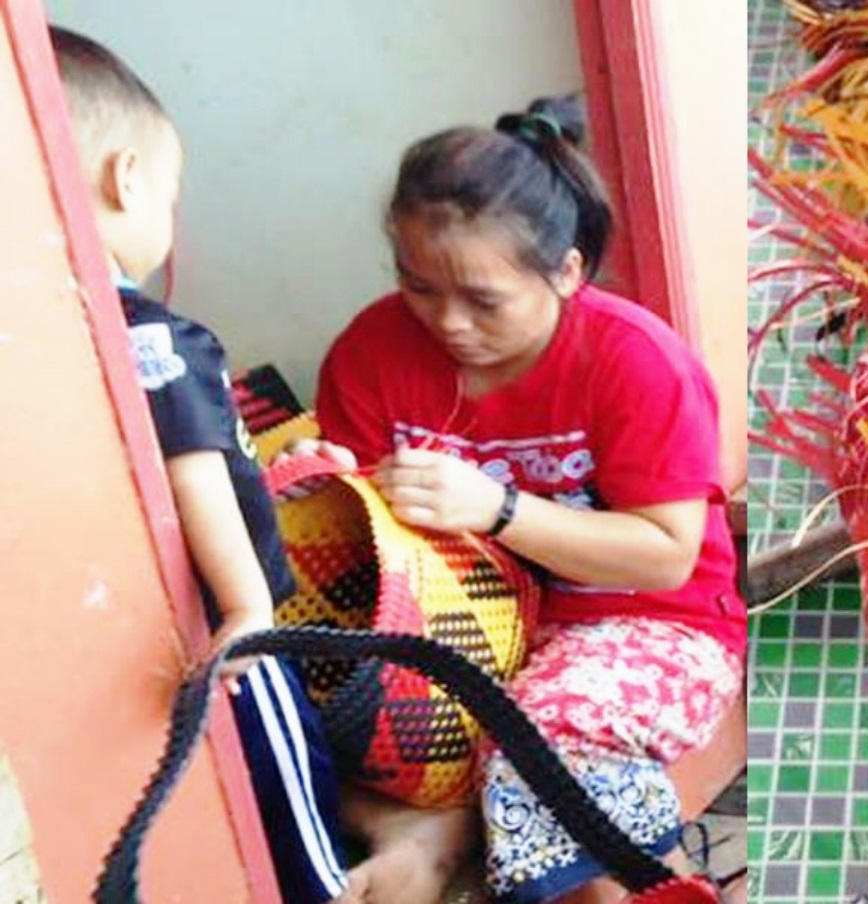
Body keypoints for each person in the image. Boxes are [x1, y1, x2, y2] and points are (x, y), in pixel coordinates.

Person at [287, 95, 747, 904]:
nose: (448, 323)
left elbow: (669, 555)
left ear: (567, 272)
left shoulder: (636, 361)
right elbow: (367, 540)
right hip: (468, 626)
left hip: (649, 626)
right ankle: (429, 831)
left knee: (540, 733)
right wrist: (324, 484)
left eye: (484, 299)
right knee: (301, 701)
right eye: (418, 287)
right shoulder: (371, 352)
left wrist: (497, 508)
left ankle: (471, 844)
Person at [50, 27, 349, 903]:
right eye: (171, 192)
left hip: (130, 644)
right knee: (293, 821)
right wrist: (250, 605)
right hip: (236, 647)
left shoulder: (57, 326)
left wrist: (280, 463)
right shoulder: (153, 333)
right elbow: (188, 465)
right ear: (126, 177)